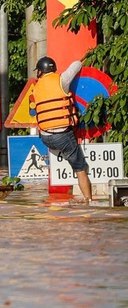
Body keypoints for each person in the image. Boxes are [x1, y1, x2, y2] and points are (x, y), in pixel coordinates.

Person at [30, 56, 92, 205]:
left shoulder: (36, 87)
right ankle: (88, 201)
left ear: (40, 71)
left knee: (66, 149)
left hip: (45, 136)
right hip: (62, 136)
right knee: (81, 168)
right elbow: (76, 65)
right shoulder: (62, 80)